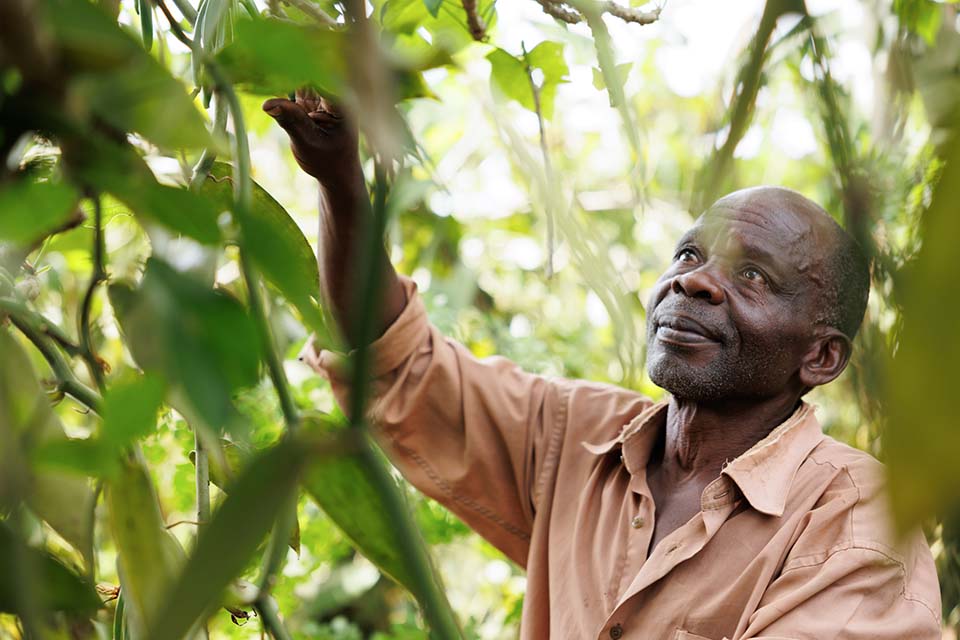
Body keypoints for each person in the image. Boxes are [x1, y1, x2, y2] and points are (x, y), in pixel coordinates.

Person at [262, 92, 942, 639]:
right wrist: (341, 180)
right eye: (687, 254)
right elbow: (396, 362)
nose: (694, 282)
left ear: (821, 358)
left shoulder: (858, 514)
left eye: (755, 275)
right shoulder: (575, 437)